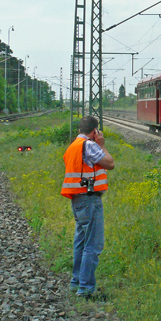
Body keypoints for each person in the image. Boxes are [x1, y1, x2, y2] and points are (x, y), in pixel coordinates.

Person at [61, 116, 115, 299]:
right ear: (94, 132)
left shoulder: (72, 146)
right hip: (90, 199)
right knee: (93, 244)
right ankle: (85, 289)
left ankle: (76, 282)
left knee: (81, 243)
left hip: (77, 199)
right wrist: (102, 144)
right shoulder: (90, 145)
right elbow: (110, 163)